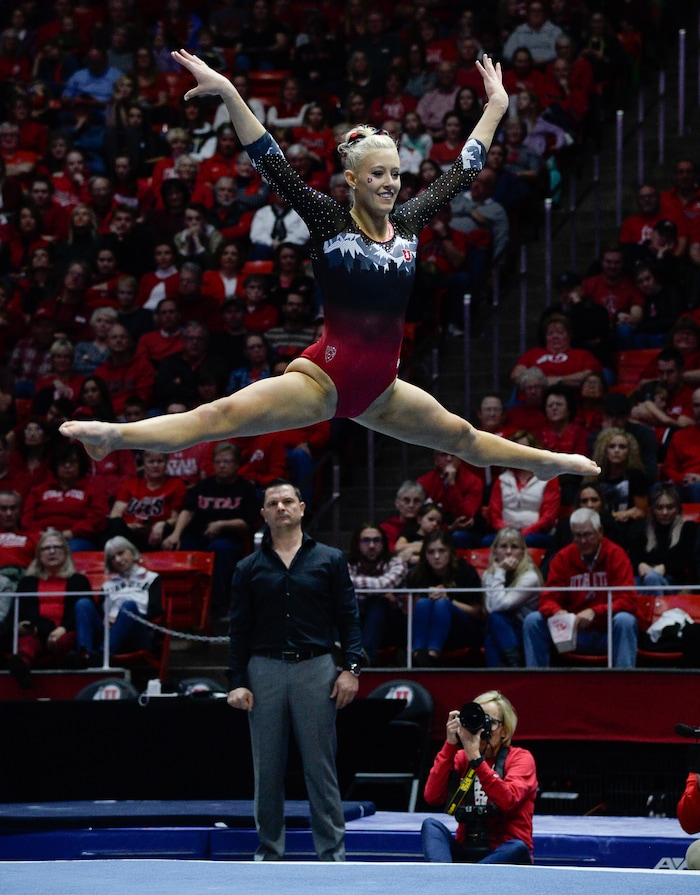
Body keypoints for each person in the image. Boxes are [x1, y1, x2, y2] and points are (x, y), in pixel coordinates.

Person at [60, 51, 599, 493]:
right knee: (220, 417)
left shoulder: (408, 224)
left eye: (395, 173)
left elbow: (464, 169)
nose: (391, 182)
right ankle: (113, 436)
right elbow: (271, 161)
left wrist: (498, 106)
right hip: (322, 381)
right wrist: (228, 91)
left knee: (463, 436)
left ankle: (545, 462)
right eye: (378, 174)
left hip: (381, 390)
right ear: (352, 179)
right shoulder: (328, 221)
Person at [226, 479, 363, 861]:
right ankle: (269, 853)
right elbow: (238, 629)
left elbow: (349, 619)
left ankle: (332, 856)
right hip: (263, 669)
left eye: (288, 501)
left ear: (302, 508)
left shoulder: (330, 559)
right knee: (266, 770)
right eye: (274, 503)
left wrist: (351, 668)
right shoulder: (247, 568)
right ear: (264, 515)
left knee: (321, 769)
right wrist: (236, 682)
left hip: (316, 668)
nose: (281, 507)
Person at [421, 690, 536, 864]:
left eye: (489, 722)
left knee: (518, 848)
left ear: (504, 731)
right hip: (467, 850)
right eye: (477, 720)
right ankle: (442, 879)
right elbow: (432, 797)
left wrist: (476, 758)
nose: (481, 728)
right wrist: (449, 745)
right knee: (431, 825)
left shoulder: (521, 758)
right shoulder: (460, 757)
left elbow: (508, 800)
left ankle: (469, 881)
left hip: (504, 853)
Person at [523, 507, 639, 667]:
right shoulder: (562, 558)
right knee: (533, 620)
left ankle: (624, 685)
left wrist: (595, 611)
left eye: (587, 535)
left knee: (625, 620)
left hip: (607, 633)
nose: (583, 541)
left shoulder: (616, 555)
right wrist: (557, 611)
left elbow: (629, 600)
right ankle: (536, 683)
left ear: (600, 531)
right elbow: (547, 598)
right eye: (577, 536)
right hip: (570, 634)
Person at [162, 441, 259, 619]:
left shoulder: (246, 489)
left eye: (227, 462)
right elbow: (188, 511)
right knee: (179, 545)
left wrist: (222, 524)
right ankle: (181, 604)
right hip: (199, 536)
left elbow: (247, 522)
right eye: (218, 462)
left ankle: (215, 604)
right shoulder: (203, 486)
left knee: (219, 550)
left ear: (237, 464)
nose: (222, 466)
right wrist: (176, 534)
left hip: (230, 539)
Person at [9, 529, 92, 688]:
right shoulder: (27, 582)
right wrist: (23, 625)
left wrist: (63, 628)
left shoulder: (78, 581)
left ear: (66, 552)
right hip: (37, 632)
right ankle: (21, 668)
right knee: (27, 642)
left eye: (57, 547)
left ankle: (69, 663)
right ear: (39, 554)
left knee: (65, 641)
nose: (52, 551)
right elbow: (20, 612)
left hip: (65, 631)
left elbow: (83, 614)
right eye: (46, 548)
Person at [74, 535, 163, 664]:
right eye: (112, 558)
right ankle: (84, 654)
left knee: (129, 605)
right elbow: (99, 613)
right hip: (108, 632)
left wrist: (122, 618)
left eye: (121, 553)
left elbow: (156, 611)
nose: (118, 560)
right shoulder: (108, 585)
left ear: (132, 551)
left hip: (137, 633)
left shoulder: (151, 578)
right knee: (83, 603)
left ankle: (102, 655)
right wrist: (106, 619)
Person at [408, 530, 484, 666]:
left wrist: (449, 600)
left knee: (442, 604)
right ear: (425, 555)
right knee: (424, 603)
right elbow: (411, 612)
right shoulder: (418, 574)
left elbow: (478, 613)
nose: (436, 557)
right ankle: (418, 654)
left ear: (450, 552)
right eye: (430, 552)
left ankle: (431, 657)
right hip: (427, 628)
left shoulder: (466, 571)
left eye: (442, 551)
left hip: (462, 631)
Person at [347, 522, 408, 666]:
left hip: (391, 626)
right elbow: (340, 585)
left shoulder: (397, 563)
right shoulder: (347, 564)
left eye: (376, 540)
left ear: (384, 543)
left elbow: (384, 584)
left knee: (377, 602)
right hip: (357, 621)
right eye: (366, 540)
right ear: (357, 544)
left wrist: (357, 591)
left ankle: (366, 657)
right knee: (343, 605)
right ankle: (341, 650)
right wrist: (379, 591)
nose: (372, 546)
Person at [483, 528, 542, 667]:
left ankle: (512, 669)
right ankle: (508, 670)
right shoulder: (489, 574)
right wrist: (496, 573)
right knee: (492, 632)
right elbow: (490, 609)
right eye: (503, 546)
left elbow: (498, 606)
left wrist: (500, 571)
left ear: (522, 552)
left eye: (514, 547)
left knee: (495, 622)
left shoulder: (530, 577)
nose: (508, 552)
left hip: (526, 632)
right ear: (495, 551)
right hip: (502, 630)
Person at [630, 483, 700, 595]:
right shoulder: (642, 529)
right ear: (652, 509)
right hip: (644, 579)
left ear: (677, 508)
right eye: (659, 508)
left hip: (674, 583)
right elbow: (632, 557)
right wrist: (640, 565)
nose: (665, 512)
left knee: (652, 579)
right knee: (631, 583)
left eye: (670, 507)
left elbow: (689, 561)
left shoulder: (688, 529)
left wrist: (665, 568)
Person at [660, 387, 700, 501]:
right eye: (696, 406)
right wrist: (683, 478)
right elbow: (668, 468)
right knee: (657, 489)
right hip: (684, 484)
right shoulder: (680, 435)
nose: (699, 410)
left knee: (697, 488)